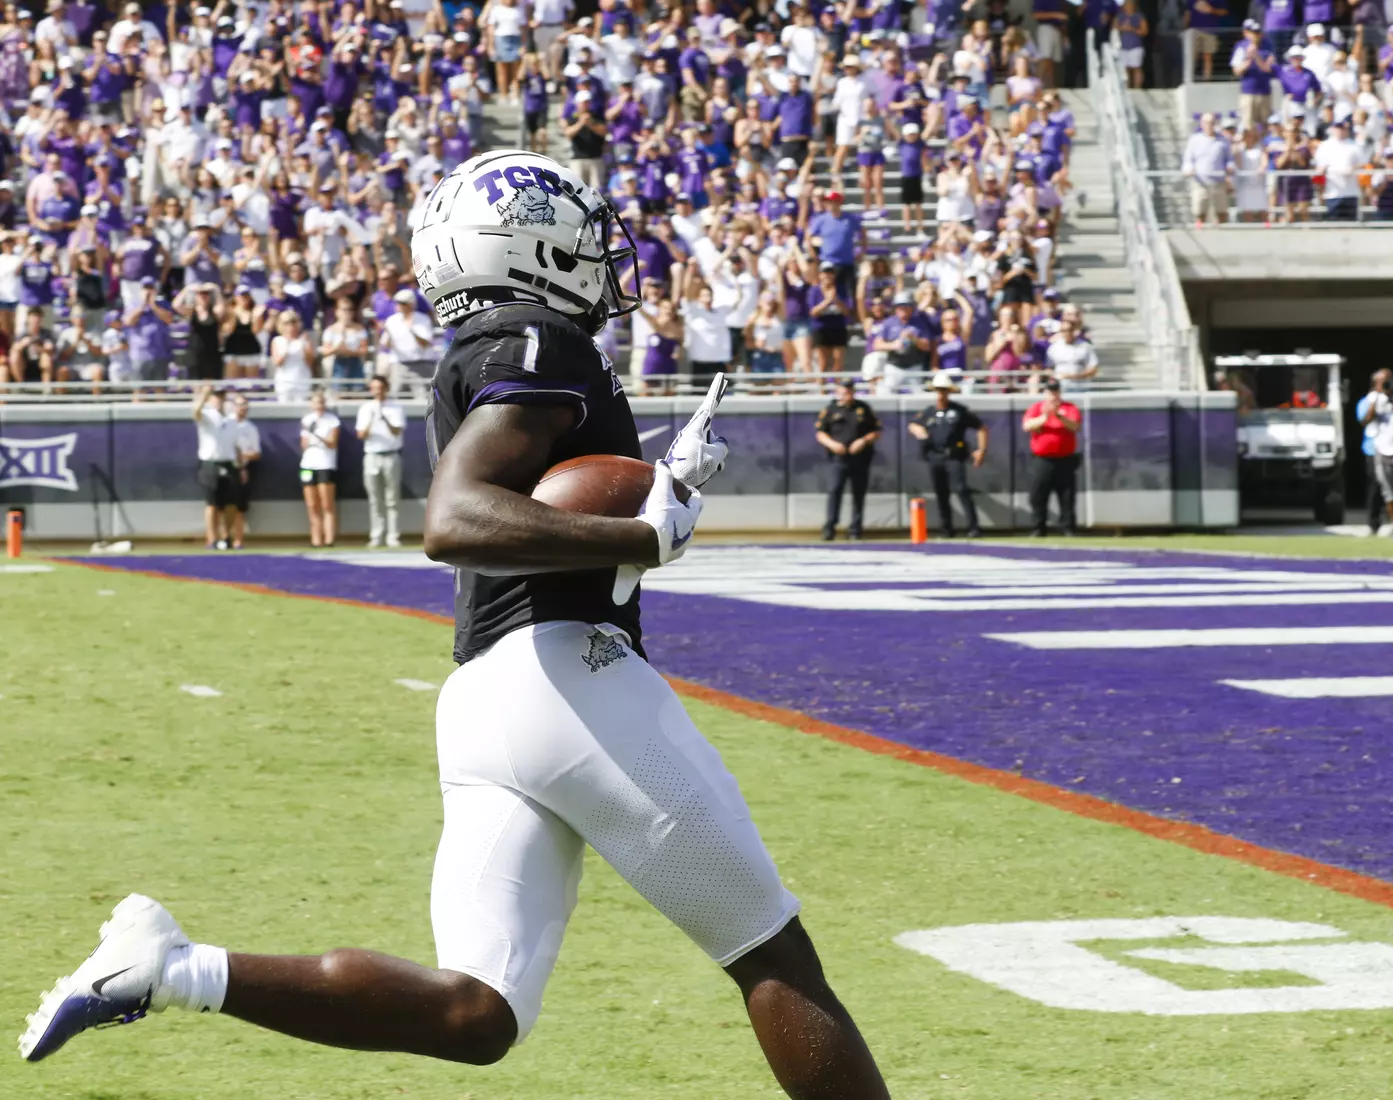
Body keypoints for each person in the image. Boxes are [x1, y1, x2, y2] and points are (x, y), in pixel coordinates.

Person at [19, 151, 890, 1100]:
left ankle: (174, 968)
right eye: (580, 239)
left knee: (477, 1014)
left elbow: (521, 497)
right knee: (776, 957)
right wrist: (639, 529)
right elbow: (456, 518)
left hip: (486, 697)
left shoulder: (495, 349)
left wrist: (655, 490)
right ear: (528, 246)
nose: (600, 258)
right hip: (571, 677)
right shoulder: (539, 340)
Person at [908, 371, 987, 538]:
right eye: (938, 390)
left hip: (954, 456)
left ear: (949, 391)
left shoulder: (959, 411)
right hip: (935, 456)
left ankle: (973, 527)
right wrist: (918, 430)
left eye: (944, 390)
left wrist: (981, 449)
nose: (940, 394)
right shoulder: (929, 412)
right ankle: (946, 528)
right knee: (941, 493)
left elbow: (981, 427)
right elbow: (913, 424)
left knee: (961, 489)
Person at [814, 378, 882, 541]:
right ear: (838, 391)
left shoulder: (863, 408)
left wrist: (863, 441)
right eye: (844, 390)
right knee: (835, 490)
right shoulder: (830, 410)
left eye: (850, 390)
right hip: (838, 458)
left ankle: (855, 528)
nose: (847, 393)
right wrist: (832, 444)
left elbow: (877, 431)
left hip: (860, 458)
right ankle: (830, 526)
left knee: (859, 493)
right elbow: (820, 433)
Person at [1356, 369, 1393, 536]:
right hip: (1378, 449)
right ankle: (1380, 524)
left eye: (1389, 380)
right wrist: (1377, 399)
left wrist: (1392, 400)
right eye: (1382, 381)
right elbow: (1364, 421)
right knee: (1380, 488)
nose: (1387, 384)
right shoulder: (1369, 400)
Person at [1022, 377, 1082, 536]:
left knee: (1067, 496)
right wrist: (1045, 417)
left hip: (1065, 459)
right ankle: (1038, 527)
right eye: (1050, 392)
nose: (1053, 395)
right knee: (1038, 495)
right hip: (1043, 459)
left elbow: (1075, 425)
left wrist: (1059, 416)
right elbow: (1027, 425)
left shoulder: (1069, 408)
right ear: (1045, 392)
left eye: (1056, 391)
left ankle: (1068, 528)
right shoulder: (1036, 408)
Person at [356, 375, 406, 549]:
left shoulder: (396, 407)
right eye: (374, 387)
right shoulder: (365, 408)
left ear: (386, 388)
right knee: (375, 499)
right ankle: (376, 536)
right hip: (371, 456)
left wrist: (384, 419)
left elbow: (397, 431)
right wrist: (371, 419)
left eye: (380, 387)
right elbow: (361, 435)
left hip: (391, 455)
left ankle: (393, 536)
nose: (377, 391)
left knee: (392, 499)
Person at [191, 383, 240, 551]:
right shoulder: (207, 415)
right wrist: (203, 395)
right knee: (211, 503)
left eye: (221, 396)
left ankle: (226, 536)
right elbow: (195, 412)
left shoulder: (231, 419)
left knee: (231, 503)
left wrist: (240, 465)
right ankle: (212, 539)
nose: (219, 399)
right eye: (216, 396)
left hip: (229, 462)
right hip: (211, 462)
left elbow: (235, 444)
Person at [299, 391, 341, 549]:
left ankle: (329, 539)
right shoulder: (307, 419)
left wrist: (315, 434)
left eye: (322, 402)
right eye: (316, 402)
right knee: (311, 504)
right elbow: (303, 444)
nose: (319, 406)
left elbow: (332, 443)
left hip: (325, 464)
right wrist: (309, 436)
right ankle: (316, 540)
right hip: (307, 465)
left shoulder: (332, 420)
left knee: (327, 504)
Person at [230, 394, 260, 551]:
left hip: (241, 469)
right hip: (224, 467)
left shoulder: (251, 428)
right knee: (221, 505)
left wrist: (242, 459)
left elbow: (256, 453)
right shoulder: (224, 423)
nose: (243, 409)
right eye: (241, 405)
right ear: (233, 406)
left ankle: (238, 540)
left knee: (239, 507)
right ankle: (220, 539)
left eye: (246, 406)